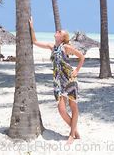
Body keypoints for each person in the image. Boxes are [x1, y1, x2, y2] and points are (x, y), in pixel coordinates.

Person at [29, 17, 84, 145]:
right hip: (58, 82)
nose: (57, 31)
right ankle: (75, 130)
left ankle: (71, 135)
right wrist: (31, 27)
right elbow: (34, 41)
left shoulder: (66, 47)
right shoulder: (51, 46)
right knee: (61, 111)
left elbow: (82, 57)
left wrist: (76, 71)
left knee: (73, 107)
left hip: (69, 80)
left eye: (60, 32)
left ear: (62, 38)